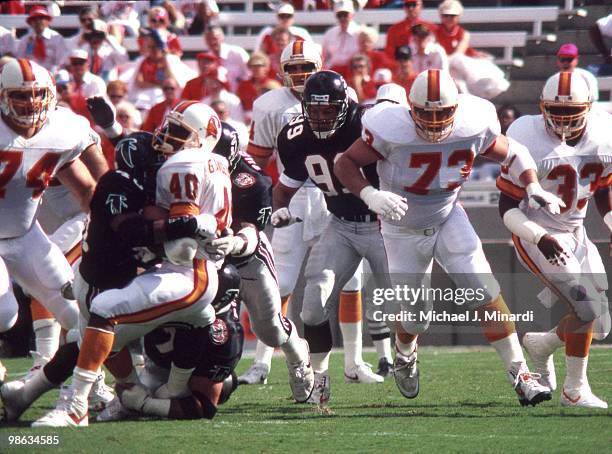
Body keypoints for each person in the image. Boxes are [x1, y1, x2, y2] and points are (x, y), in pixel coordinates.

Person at [334, 68, 565, 406]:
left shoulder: (474, 122)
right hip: (402, 227)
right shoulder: (389, 127)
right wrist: (369, 194)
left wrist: (532, 185)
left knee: (484, 289)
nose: (434, 121)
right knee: (416, 318)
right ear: (409, 109)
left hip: (447, 215)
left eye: (442, 112)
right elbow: (346, 163)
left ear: (456, 108)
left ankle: (520, 374)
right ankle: (405, 349)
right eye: (425, 113)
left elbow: (515, 153)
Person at [32, 101, 229, 427]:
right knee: (97, 336)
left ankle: (76, 405)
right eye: (169, 127)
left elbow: (181, 244)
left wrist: (166, 230)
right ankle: (133, 396)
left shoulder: (184, 165)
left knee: (105, 310)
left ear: (202, 138)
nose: (166, 137)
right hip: (187, 272)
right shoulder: (209, 163)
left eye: (179, 132)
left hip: (188, 273)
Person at [243, 40, 384, 384]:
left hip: (336, 195)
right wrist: (263, 202)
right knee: (281, 281)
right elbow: (257, 160)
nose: (300, 74)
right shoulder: (269, 105)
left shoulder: (342, 96)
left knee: (349, 282)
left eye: (307, 67)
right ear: (281, 71)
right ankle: (264, 361)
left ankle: (354, 361)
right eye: (293, 68)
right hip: (292, 194)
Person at [273, 71, 391, 403]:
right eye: (315, 110)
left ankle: (405, 355)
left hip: (384, 225)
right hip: (339, 224)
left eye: (329, 111)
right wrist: (279, 209)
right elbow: (283, 189)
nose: (321, 118)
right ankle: (319, 377)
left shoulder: (366, 123)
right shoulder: (296, 137)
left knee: (403, 307)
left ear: (345, 105)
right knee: (312, 306)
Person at [498, 71, 611, 409]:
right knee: (588, 308)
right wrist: (539, 236)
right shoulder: (525, 136)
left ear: (588, 108)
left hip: (577, 232)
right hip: (537, 232)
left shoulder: (604, 135)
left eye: (571, 111)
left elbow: (603, 190)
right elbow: (506, 206)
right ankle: (574, 391)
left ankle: (542, 344)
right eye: (556, 111)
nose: (562, 120)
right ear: (542, 107)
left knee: (601, 324)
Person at [0, 58, 97, 376]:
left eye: (38, 94)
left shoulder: (63, 129)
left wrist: (105, 222)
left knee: (75, 313)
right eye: (20, 95)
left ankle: (92, 388)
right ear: (3, 95)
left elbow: (87, 189)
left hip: (27, 234)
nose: (30, 103)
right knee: (4, 315)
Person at [435, 0, 509, 100]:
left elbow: (460, 52)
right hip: (442, 65)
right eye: (446, 15)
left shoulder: (463, 34)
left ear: (458, 16)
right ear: (441, 16)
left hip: (457, 65)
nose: (449, 18)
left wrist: (475, 54)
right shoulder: (434, 32)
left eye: (452, 15)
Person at [14, 5, 67, 72]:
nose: (38, 21)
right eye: (34, 19)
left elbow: (60, 62)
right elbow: (20, 60)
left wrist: (51, 75)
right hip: (31, 75)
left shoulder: (56, 38)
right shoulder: (25, 40)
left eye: (41, 18)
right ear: (30, 23)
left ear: (47, 21)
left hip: (52, 73)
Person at [236, 52, 282, 122]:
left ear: (266, 67)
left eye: (259, 66)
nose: (256, 69)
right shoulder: (243, 85)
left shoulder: (273, 85)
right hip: (246, 121)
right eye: (253, 66)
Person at [203, 26, 249, 92]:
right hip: (218, 97)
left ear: (222, 37)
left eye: (215, 38)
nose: (212, 42)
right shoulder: (206, 58)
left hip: (240, 94)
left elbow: (249, 73)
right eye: (208, 39)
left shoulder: (237, 52)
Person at [322, 0, 360, 79]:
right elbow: (324, 56)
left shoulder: (359, 33)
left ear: (352, 15)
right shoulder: (330, 33)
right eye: (339, 15)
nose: (342, 18)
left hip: (352, 72)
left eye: (345, 14)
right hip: (332, 72)